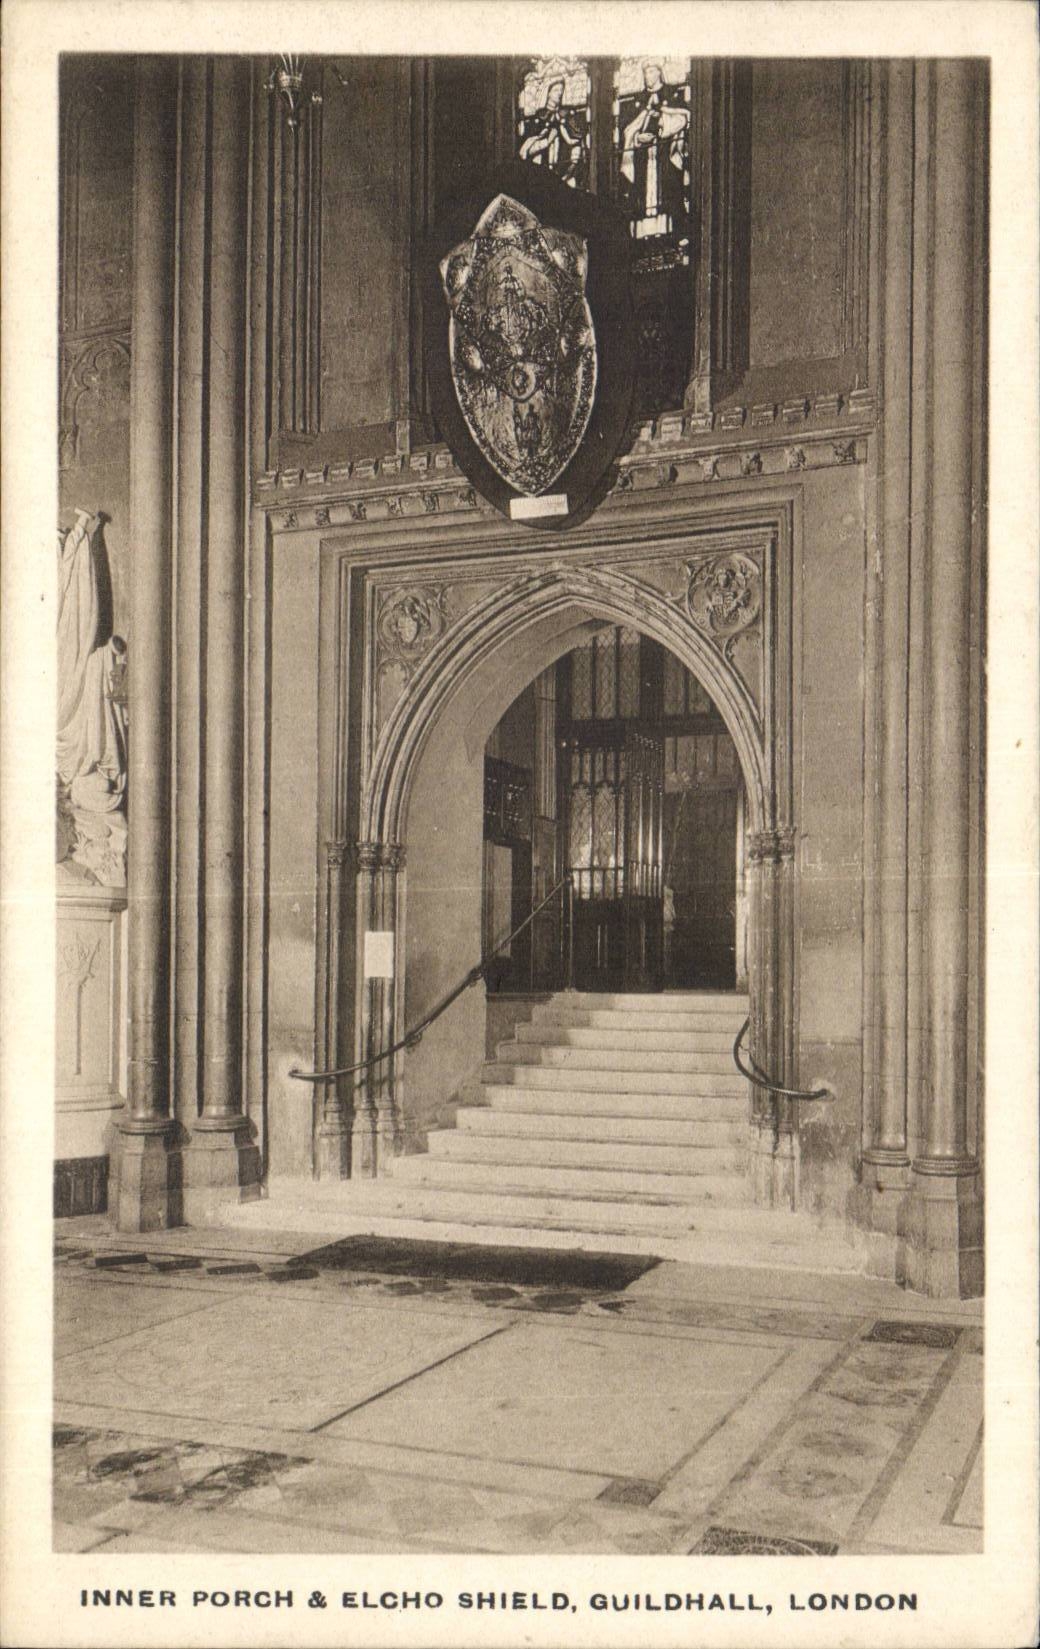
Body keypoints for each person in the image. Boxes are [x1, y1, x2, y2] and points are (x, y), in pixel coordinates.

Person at [620, 61, 689, 236]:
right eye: (645, 73)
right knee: (641, 194)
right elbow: (628, 129)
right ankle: (642, 233)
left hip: (664, 153)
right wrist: (637, 138)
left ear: (659, 72)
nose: (647, 76)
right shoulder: (638, 101)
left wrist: (662, 127)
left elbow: (682, 118)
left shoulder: (671, 95)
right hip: (642, 156)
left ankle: (671, 231)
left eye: (651, 72)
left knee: (668, 188)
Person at [519, 77, 583, 185]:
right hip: (540, 171)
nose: (559, 93)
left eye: (561, 90)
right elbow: (526, 150)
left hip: (561, 170)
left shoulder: (566, 116)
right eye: (556, 90)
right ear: (548, 93)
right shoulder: (538, 118)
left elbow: (575, 140)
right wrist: (547, 141)